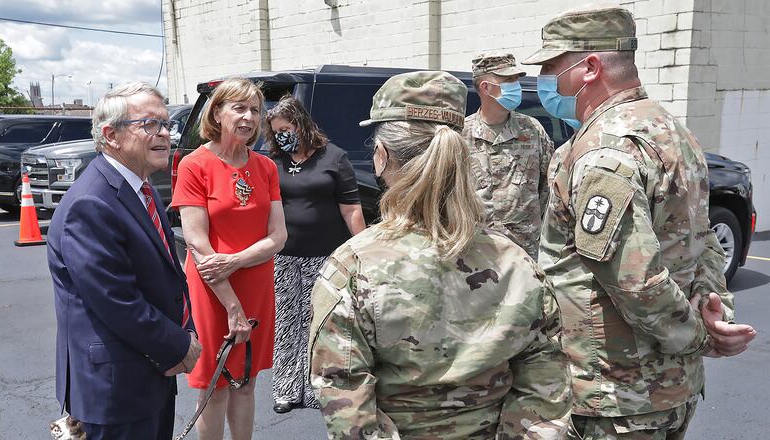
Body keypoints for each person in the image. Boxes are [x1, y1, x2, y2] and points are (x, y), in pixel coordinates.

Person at [525, 6, 757, 439]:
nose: (545, 80)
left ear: (589, 67)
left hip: (615, 393)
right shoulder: (671, 130)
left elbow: (635, 279)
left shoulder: (603, 150)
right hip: (670, 386)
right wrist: (714, 309)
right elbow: (702, 239)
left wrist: (700, 338)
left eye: (551, 66)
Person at [309, 71, 571, 439]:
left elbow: (347, 405)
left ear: (381, 157)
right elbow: (546, 390)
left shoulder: (353, 267)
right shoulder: (515, 262)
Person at [47, 82, 202, 439]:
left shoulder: (141, 189)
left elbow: (165, 277)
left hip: (147, 374)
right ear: (111, 135)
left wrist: (184, 332)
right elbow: (117, 301)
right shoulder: (92, 203)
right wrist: (180, 345)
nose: (165, 133)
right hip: (114, 389)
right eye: (150, 124)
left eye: (166, 123)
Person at [172, 78, 287, 440]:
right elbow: (197, 244)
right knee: (215, 384)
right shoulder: (195, 165)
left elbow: (278, 236)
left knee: (247, 381)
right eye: (239, 108)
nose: (249, 116)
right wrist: (233, 306)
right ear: (217, 113)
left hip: (255, 284)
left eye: (255, 110)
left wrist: (235, 260)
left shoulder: (266, 167)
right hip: (213, 289)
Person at [263, 96, 365, 414]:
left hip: (325, 257)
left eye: (287, 128)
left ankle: (314, 388)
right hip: (284, 257)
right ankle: (285, 390)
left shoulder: (333, 158)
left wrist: (363, 252)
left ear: (302, 125)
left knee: (319, 322)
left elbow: (351, 210)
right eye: (276, 131)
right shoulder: (273, 162)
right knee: (287, 322)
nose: (282, 135)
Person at [462, 53, 555, 260]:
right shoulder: (460, 135)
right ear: (486, 87)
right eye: (508, 80)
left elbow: (548, 191)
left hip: (525, 253)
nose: (516, 86)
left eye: (516, 80)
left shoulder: (532, 129)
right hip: (475, 255)